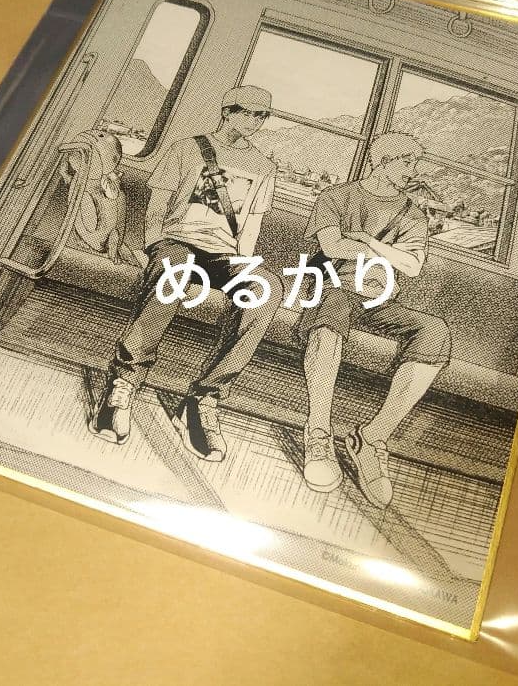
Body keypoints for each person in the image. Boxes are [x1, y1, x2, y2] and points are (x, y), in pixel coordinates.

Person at [87, 86, 283, 462]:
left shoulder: (264, 167)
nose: (255, 121)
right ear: (227, 111)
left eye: (262, 116)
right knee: (173, 269)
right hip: (177, 243)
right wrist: (154, 248)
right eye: (248, 112)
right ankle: (125, 380)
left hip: (224, 256)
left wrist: (243, 265)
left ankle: (203, 399)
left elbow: (251, 225)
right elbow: (157, 208)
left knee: (268, 288)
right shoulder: (185, 149)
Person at [297, 133, 450, 507]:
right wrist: (386, 253)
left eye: (416, 163)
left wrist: (368, 241)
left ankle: (371, 438)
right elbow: (332, 246)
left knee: (435, 331)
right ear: (382, 161)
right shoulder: (336, 197)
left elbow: (412, 266)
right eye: (407, 162)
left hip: (379, 301)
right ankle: (318, 432)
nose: (413, 171)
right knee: (332, 308)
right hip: (333, 287)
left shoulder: (412, 213)